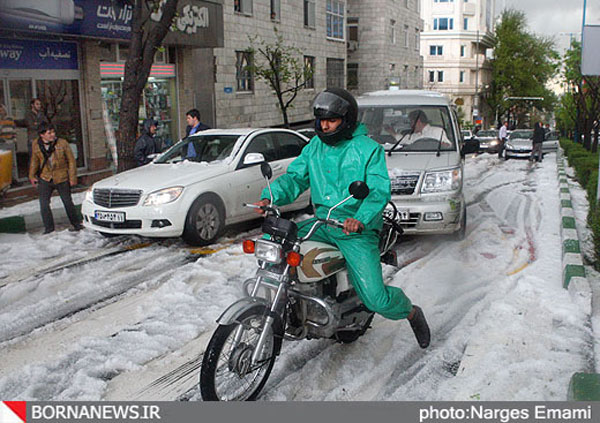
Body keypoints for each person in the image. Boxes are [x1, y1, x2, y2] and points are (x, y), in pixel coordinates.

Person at [254, 88, 431, 349]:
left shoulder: (368, 150)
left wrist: (359, 218)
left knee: (375, 299)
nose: (324, 126)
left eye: (331, 120)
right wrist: (270, 196)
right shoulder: (315, 146)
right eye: (321, 120)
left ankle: (411, 312)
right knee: (273, 239)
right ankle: (283, 302)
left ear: (346, 120)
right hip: (321, 224)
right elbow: (296, 178)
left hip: (356, 229)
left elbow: (378, 191)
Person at [29, 122, 83, 234]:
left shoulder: (62, 143)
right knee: (44, 204)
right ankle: (49, 229)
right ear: (42, 135)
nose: (52, 134)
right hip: (45, 177)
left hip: (61, 177)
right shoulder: (36, 144)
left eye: (53, 132)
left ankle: (77, 224)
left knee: (67, 202)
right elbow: (34, 160)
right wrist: (32, 175)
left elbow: (71, 161)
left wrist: (72, 177)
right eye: (49, 133)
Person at [384, 109, 451, 147]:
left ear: (418, 121)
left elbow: (448, 146)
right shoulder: (413, 136)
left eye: (411, 122)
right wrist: (391, 131)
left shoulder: (437, 131)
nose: (410, 125)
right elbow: (402, 140)